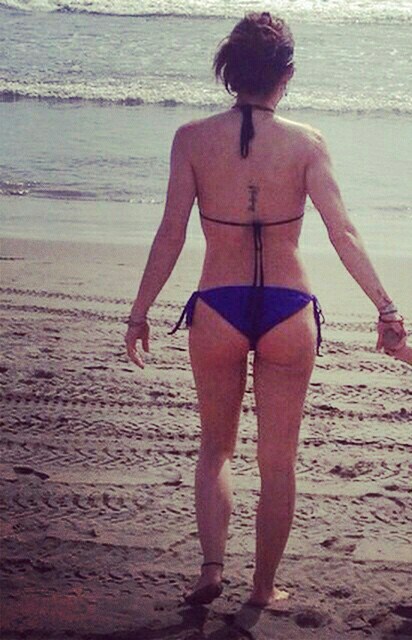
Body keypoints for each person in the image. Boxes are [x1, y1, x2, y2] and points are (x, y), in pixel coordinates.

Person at [124, 12, 407, 608]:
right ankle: (262, 587)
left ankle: (210, 570)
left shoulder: (192, 138)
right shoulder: (306, 143)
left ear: (231, 72)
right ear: (287, 73)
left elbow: (171, 232)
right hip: (287, 308)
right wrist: (387, 309)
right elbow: (343, 233)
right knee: (278, 462)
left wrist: (140, 311)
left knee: (215, 448)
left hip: (217, 306)